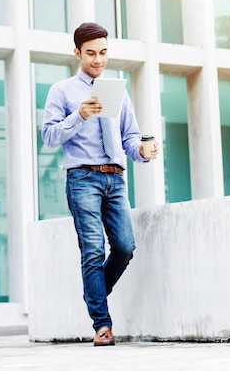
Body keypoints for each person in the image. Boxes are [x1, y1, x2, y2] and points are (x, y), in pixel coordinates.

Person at [41, 22, 158, 346]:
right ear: (77, 53)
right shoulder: (62, 92)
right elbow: (49, 137)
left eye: (103, 52)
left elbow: (130, 137)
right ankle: (102, 325)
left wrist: (143, 152)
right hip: (82, 178)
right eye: (90, 53)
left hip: (115, 178)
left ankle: (95, 291)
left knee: (124, 247)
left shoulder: (116, 91)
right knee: (92, 249)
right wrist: (79, 115)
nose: (98, 60)